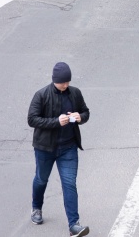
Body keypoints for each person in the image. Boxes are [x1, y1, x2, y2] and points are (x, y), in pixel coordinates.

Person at [28, 62, 91, 236]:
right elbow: (32, 119)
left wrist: (80, 117)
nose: (66, 85)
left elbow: (85, 112)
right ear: (55, 80)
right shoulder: (41, 95)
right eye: (62, 82)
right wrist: (56, 121)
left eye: (68, 82)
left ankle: (74, 225)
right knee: (41, 179)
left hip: (68, 147)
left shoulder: (75, 93)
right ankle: (36, 208)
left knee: (69, 184)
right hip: (45, 148)